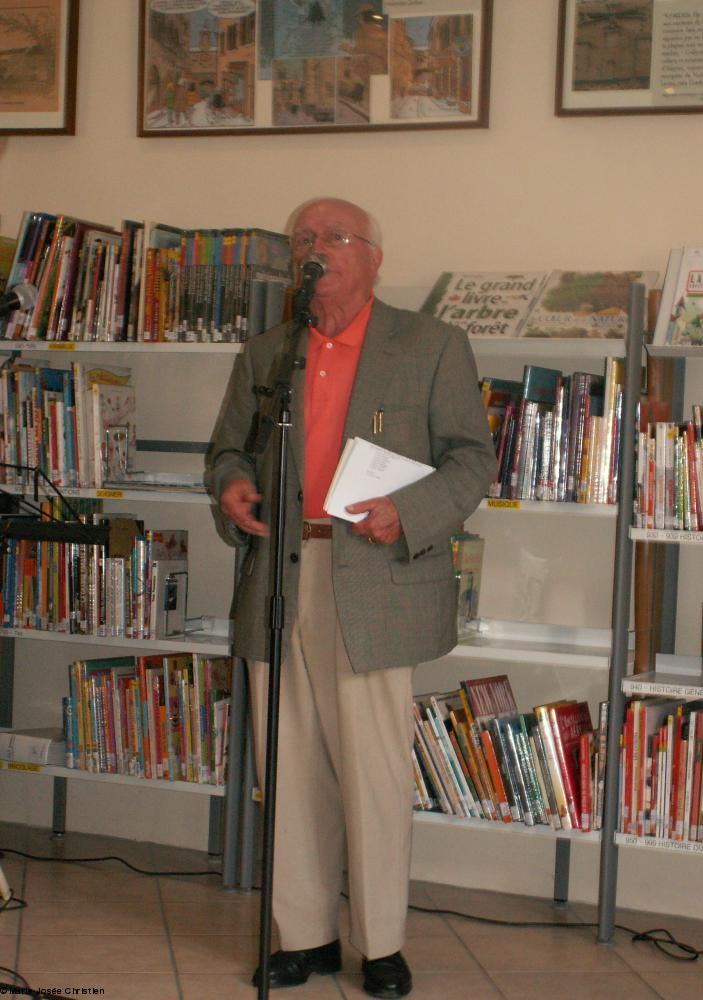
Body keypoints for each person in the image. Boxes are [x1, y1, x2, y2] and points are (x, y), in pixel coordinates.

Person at [208, 197, 494, 998]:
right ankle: (304, 938)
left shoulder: (431, 344)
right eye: (304, 238)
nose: (317, 249)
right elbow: (228, 449)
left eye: (335, 237)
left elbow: (473, 460)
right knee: (289, 766)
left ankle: (382, 945)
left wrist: (411, 511)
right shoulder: (269, 351)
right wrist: (231, 485)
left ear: (372, 257)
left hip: (377, 578)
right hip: (282, 575)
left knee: (372, 775)